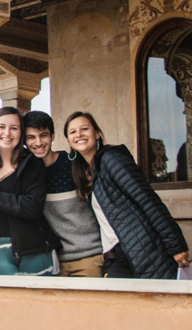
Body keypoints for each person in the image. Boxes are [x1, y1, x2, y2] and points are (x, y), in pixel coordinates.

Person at [65, 111, 189, 279]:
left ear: (97, 133)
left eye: (84, 129)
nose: (79, 134)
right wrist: (108, 265)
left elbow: (148, 200)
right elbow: (105, 224)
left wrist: (176, 245)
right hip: (120, 256)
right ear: (69, 142)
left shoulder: (112, 159)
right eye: (72, 132)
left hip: (145, 249)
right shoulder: (88, 174)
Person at [23, 110, 103, 277]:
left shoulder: (73, 163)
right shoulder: (25, 174)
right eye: (31, 137)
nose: (38, 142)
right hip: (54, 262)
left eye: (43, 135)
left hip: (89, 257)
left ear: (52, 136)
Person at [0, 107, 61, 276]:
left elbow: (32, 207)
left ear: (21, 133)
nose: (7, 133)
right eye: (1, 127)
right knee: (4, 301)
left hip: (33, 246)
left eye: (14, 128)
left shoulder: (32, 164)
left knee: (40, 299)